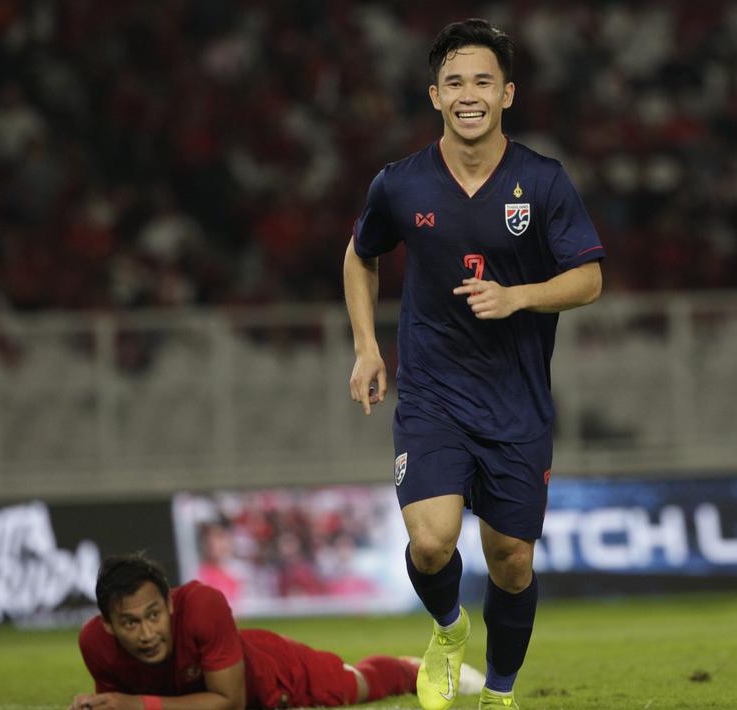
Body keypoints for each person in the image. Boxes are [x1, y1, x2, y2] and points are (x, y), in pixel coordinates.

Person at [342, 18, 604, 710]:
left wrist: (519, 295)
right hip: (431, 394)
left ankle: (501, 691)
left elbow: (588, 279)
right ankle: (450, 628)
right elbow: (360, 254)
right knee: (430, 545)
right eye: (453, 81)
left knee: (511, 561)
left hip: (515, 400)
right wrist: (368, 346)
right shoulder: (399, 186)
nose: (467, 94)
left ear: (506, 94)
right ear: (434, 96)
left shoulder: (541, 182)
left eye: (482, 81)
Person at [69, 553, 481, 710]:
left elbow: (228, 702)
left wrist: (135, 705)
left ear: (170, 604)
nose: (146, 633)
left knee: (354, 687)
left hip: (270, 678)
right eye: (129, 622)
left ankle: (409, 670)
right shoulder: (94, 644)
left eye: (153, 615)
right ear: (107, 625)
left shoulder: (203, 606)